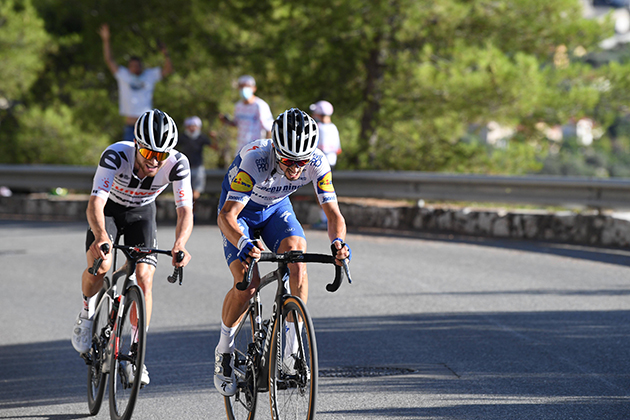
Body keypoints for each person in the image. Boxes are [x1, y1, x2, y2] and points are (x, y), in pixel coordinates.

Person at [213, 108, 351, 396]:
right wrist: (243, 243)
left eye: (301, 161)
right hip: (240, 213)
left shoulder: (316, 160)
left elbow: (333, 213)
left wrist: (338, 243)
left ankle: (289, 351)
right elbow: (227, 216)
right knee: (247, 285)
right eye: (288, 161)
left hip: (276, 209)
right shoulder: (255, 159)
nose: (296, 168)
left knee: (297, 261)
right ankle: (224, 350)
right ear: (275, 148)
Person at [71, 109, 193, 386]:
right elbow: (96, 204)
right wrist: (102, 236)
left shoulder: (177, 164)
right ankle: (87, 312)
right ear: (137, 145)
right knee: (100, 264)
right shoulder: (116, 155)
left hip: (141, 213)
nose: (154, 161)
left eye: (161, 155)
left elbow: (185, 211)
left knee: (145, 279)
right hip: (109, 211)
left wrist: (180, 245)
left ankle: (138, 350)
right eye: (149, 153)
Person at [99, 23, 173, 142]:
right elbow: (109, 60)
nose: (135, 68)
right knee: (129, 156)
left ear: (142, 66)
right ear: (129, 67)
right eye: (132, 66)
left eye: (137, 65)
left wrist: (166, 54)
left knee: (145, 157)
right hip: (130, 126)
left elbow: (168, 70)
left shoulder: (149, 75)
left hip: (145, 127)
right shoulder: (124, 75)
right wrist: (106, 40)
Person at [218, 75, 274, 155]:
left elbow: (269, 128)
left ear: (254, 88)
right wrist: (226, 121)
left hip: (256, 150)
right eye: (241, 86)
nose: (244, 89)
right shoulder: (238, 106)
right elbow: (237, 124)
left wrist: (267, 150)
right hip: (241, 150)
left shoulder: (260, 105)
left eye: (247, 86)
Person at [310, 100, 341, 229]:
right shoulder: (333, 127)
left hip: (320, 163)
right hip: (332, 162)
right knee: (327, 191)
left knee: (320, 193)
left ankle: (325, 220)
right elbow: (338, 149)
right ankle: (328, 220)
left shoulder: (318, 128)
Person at [177, 116, 216, 202]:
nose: (192, 128)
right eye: (190, 126)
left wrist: (214, 138)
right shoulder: (183, 137)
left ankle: (193, 212)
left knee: (196, 192)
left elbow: (214, 147)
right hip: (185, 168)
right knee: (185, 192)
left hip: (198, 167)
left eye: (194, 126)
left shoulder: (201, 137)